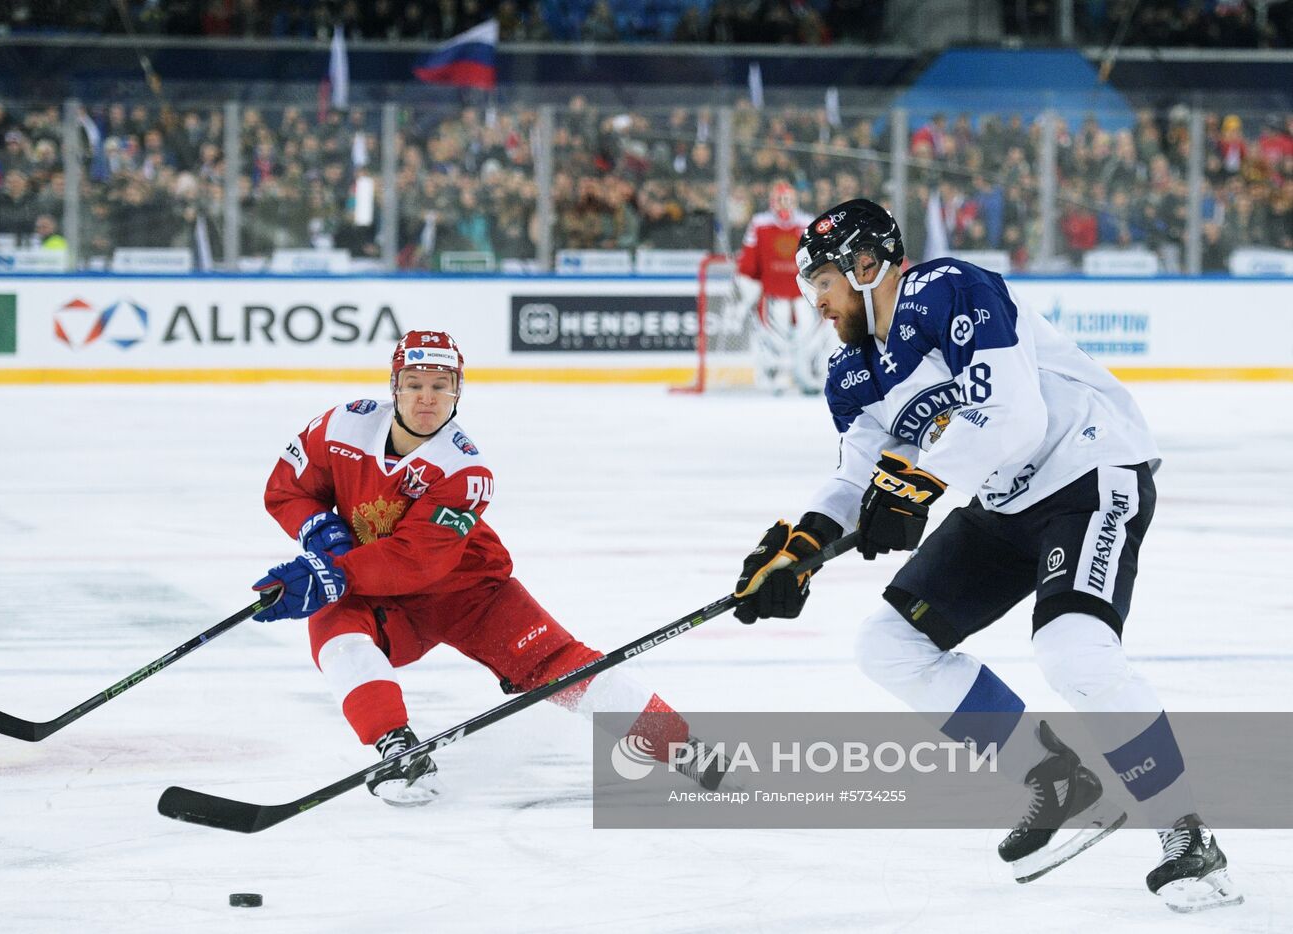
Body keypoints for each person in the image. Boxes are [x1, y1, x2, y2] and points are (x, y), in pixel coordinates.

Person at [732, 199, 1242, 912]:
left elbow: (1015, 414)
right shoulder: (852, 371)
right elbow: (857, 475)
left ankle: (1186, 833)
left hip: (1087, 473)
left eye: (822, 280)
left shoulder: (950, 288)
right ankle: (1052, 775)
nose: (814, 301)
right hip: (1001, 502)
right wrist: (802, 545)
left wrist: (914, 485)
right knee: (888, 645)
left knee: (1073, 652)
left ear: (866, 264)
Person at [251, 330, 726, 806]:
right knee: (332, 624)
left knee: (561, 666)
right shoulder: (341, 427)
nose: (427, 398)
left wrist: (334, 574)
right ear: (394, 386)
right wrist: (314, 527)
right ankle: (396, 748)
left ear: (458, 391)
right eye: (415, 384)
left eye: (442, 385)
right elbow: (287, 487)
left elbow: (415, 558)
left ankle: (687, 749)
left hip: (468, 595)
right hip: (380, 595)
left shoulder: (464, 469)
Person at [735, 180, 832, 394]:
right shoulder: (760, 224)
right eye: (780, 201)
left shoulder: (807, 224)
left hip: (804, 296)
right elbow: (748, 264)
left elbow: (820, 260)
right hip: (773, 295)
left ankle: (808, 374)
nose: (784, 205)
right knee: (772, 337)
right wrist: (746, 285)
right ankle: (775, 373)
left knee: (811, 336)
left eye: (787, 200)